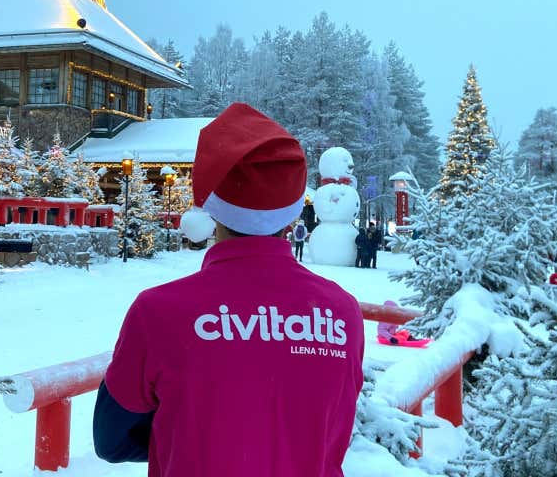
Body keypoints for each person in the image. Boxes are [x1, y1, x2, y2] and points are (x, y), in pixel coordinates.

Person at [93, 103, 365, 475]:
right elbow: (330, 429)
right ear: (292, 209)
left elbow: (112, 440)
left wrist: (188, 435)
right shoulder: (342, 313)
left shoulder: (159, 311)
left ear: (211, 202)